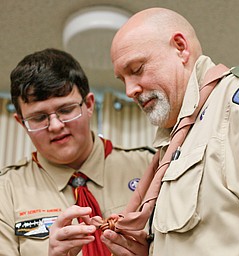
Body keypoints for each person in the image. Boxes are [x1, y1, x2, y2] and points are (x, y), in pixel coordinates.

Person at [48, 7, 239, 256]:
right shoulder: (179, 142)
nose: (130, 90)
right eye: (124, 79)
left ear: (180, 48)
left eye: (137, 69)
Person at [0, 48, 153, 256]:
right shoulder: (5, 192)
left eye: (65, 110)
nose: (55, 126)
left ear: (89, 105)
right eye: (38, 118)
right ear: (21, 123)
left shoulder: (149, 167)